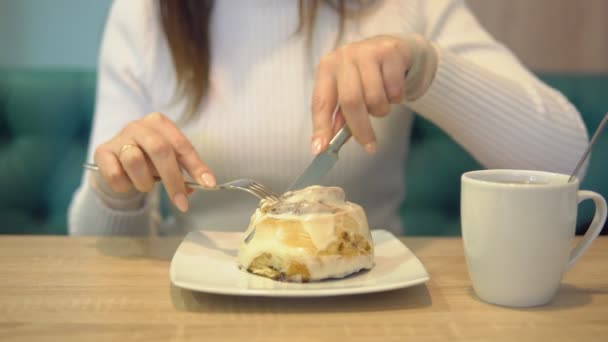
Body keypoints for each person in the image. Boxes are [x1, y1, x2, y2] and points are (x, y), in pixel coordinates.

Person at [68, 0, 589, 236]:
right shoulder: (143, 14)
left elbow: (568, 160)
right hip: (196, 312)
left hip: (372, 308)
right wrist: (119, 189)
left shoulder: (404, 4)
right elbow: (90, 242)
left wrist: (425, 68)